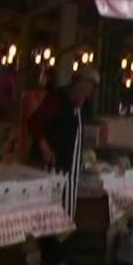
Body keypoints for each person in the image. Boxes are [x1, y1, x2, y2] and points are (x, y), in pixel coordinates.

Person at [29, 66, 98, 218]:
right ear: (77, 82)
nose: (87, 91)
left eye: (91, 89)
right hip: (53, 166)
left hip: (72, 168)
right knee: (51, 212)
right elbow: (34, 122)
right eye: (86, 86)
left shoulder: (83, 105)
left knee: (67, 211)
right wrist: (45, 148)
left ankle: (65, 230)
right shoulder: (57, 99)